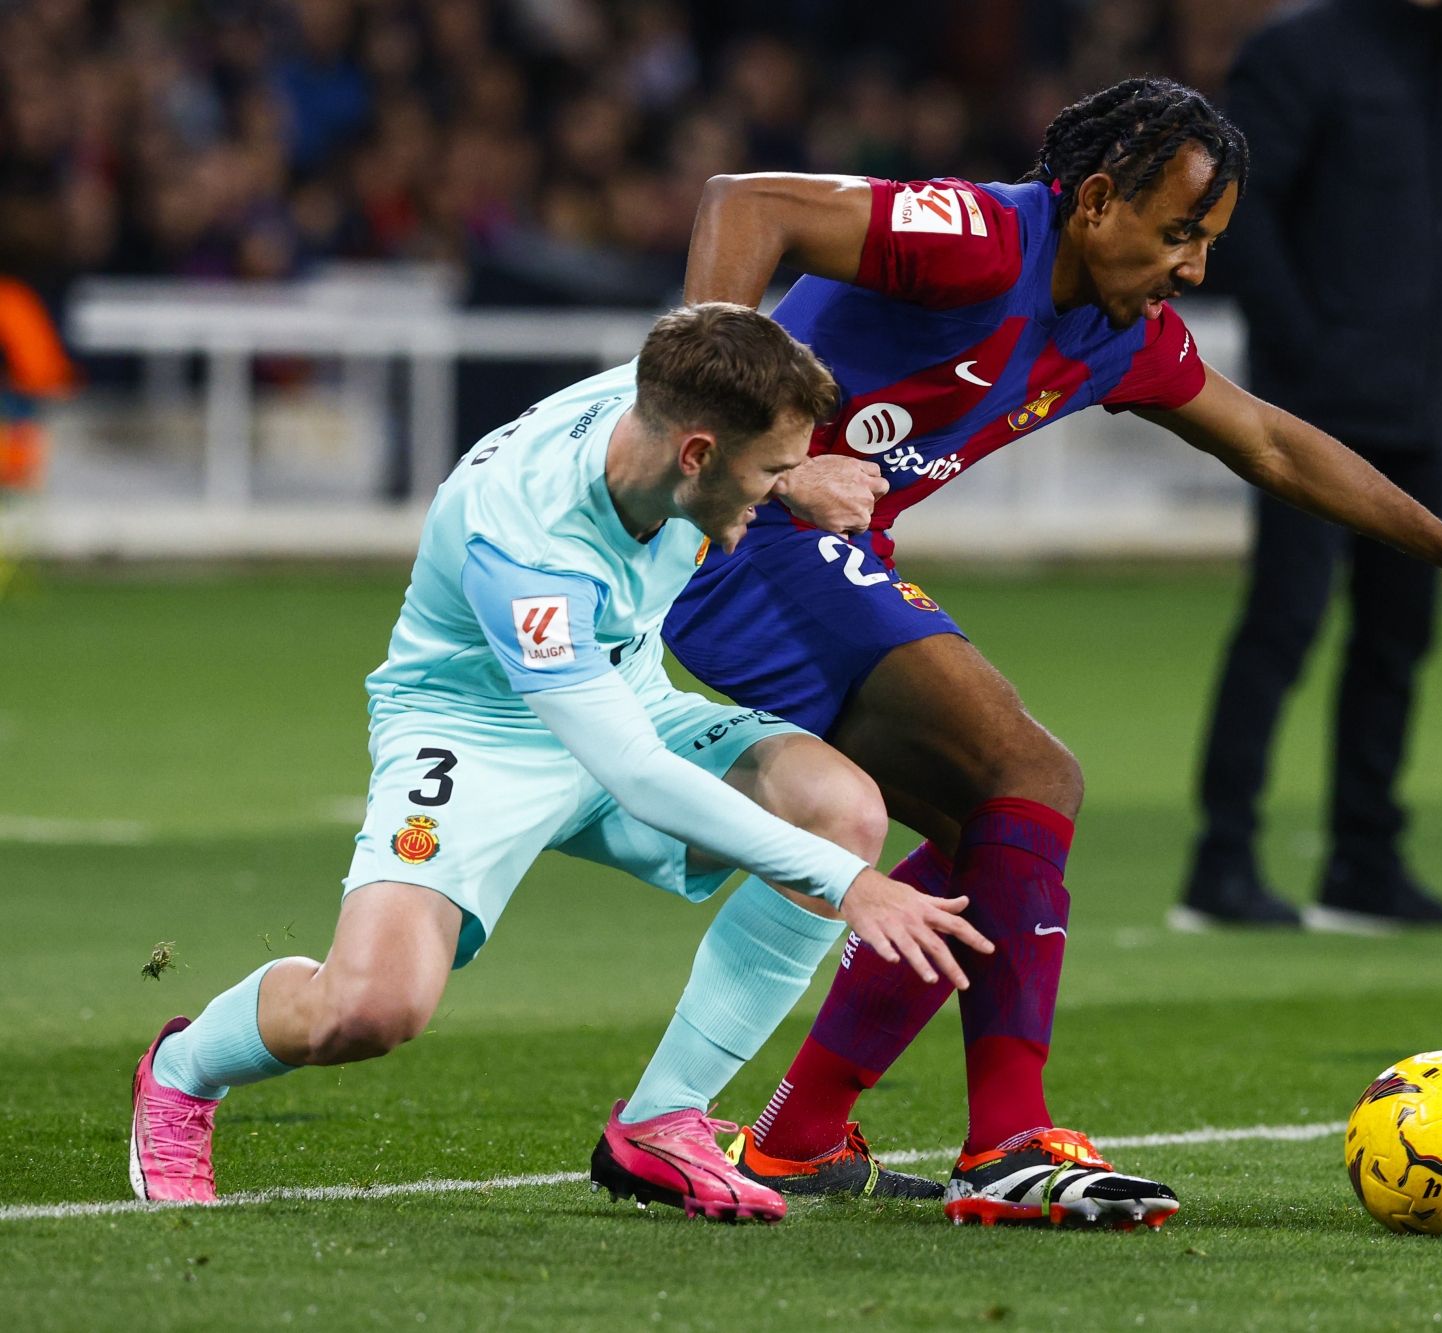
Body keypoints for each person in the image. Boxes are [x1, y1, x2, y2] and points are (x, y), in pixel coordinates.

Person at [661, 77, 1442, 1229]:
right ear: (1095, 201)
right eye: (1179, 232)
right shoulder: (981, 240)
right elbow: (747, 205)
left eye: (1205, 241)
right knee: (1031, 776)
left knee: (991, 832)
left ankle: (798, 1140)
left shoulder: (1117, 334)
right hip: (744, 538)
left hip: (811, 552)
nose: (1191, 267)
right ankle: (1004, 1145)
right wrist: (730, 446)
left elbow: (1272, 446)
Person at [128, 303, 991, 1222]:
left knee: (839, 808)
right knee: (370, 1010)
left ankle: (665, 1119)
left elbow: (725, 415)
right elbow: (632, 773)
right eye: (771, 467)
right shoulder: (529, 542)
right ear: (697, 455)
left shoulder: (670, 406)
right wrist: (851, 888)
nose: (779, 484)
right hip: (474, 730)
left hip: (623, 690)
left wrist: (791, 476)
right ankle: (182, 1071)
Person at [1174, 0, 1442, 934]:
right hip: (1315, 411)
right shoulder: (1298, 53)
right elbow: (1243, 214)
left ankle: (1364, 862)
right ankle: (1221, 860)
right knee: (1283, 626)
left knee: (1398, 643)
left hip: (1428, 404)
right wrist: (1306, 355)